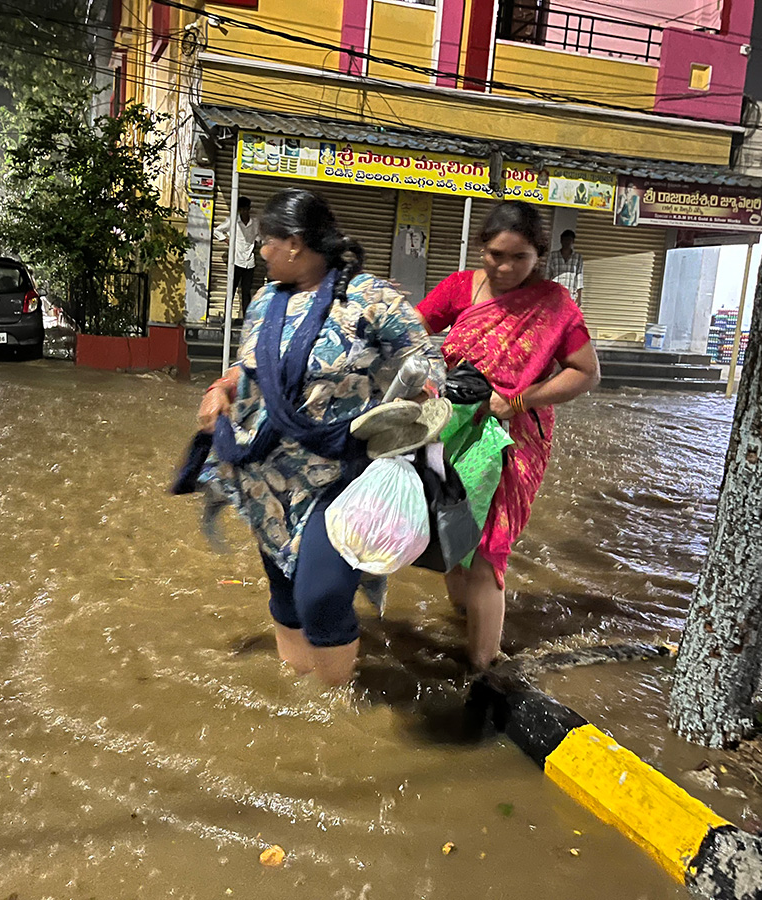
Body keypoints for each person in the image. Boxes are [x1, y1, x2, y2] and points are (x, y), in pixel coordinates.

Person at [194, 188, 445, 686]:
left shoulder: (375, 301)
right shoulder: (267, 301)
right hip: (270, 472)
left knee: (321, 597)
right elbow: (250, 370)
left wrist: (415, 400)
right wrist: (220, 389)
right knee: (285, 594)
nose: (260, 252)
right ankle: (297, 693)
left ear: (295, 243)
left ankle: (332, 705)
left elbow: (428, 368)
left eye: (267, 241)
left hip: (343, 472)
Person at [414, 201, 601, 670]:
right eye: (496, 254)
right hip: (455, 430)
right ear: (481, 248)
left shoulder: (554, 305)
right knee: (451, 528)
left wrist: (517, 400)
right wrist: (420, 381)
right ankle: (466, 617)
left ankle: (484, 666)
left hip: (516, 439)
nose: (505, 267)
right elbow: (408, 333)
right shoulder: (459, 288)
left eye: (520, 258)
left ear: (538, 256)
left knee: (487, 547)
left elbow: (585, 374)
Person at [213, 197, 261, 313]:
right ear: (239, 210)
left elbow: (259, 238)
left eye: (246, 209)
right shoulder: (232, 221)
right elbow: (217, 231)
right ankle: (226, 317)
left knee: (246, 292)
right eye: (242, 209)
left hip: (249, 262)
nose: (244, 212)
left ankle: (246, 319)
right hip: (235, 261)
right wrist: (227, 240)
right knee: (231, 291)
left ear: (249, 209)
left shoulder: (255, 223)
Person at [546, 229, 584, 302]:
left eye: (569, 240)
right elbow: (548, 274)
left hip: (570, 294)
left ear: (572, 241)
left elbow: (579, 276)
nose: (566, 242)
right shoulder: (553, 256)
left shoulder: (578, 257)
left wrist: (579, 296)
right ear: (561, 240)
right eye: (565, 240)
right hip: (555, 293)